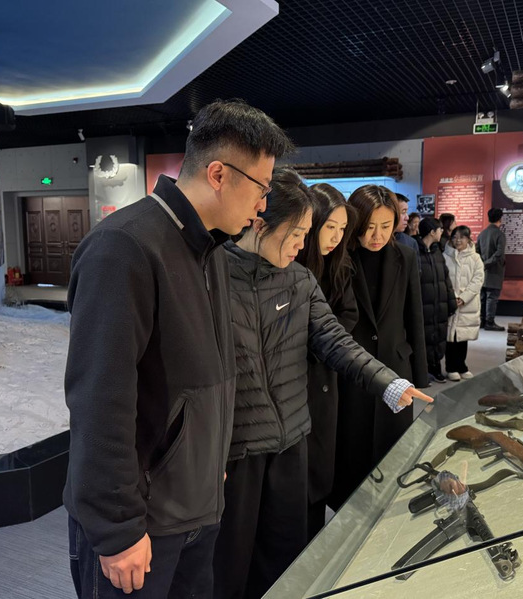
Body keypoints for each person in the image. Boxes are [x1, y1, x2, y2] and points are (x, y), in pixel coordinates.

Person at [63, 99, 294, 599]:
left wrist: (211, 463)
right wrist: (117, 528)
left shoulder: (209, 249)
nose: (263, 205)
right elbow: (99, 400)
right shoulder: (123, 247)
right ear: (218, 174)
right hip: (142, 523)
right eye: (261, 188)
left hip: (196, 508)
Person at [214, 169, 433, 599]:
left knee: (288, 560)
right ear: (260, 223)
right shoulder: (214, 274)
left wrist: (388, 383)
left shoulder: (298, 279)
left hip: (292, 440)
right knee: (230, 565)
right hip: (239, 449)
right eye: (297, 234)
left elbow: (335, 340)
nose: (303, 245)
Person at [330, 185, 428, 511]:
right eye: (369, 226)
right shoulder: (339, 257)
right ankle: (348, 514)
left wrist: (420, 375)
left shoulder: (406, 257)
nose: (377, 235)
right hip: (351, 371)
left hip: (395, 368)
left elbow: (414, 316)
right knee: (351, 450)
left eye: (386, 226)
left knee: (392, 450)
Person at [295, 182, 357, 540]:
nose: (336, 237)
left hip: (324, 376)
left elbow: (348, 314)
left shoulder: (339, 266)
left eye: (342, 228)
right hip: (292, 379)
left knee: (319, 470)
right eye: (329, 226)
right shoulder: (289, 261)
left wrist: (320, 342)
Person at [415, 217, 458, 383]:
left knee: (439, 335)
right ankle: (423, 370)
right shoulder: (415, 252)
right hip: (424, 304)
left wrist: (451, 301)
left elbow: (446, 278)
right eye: (439, 230)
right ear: (432, 232)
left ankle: (436, 367)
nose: (442, 232)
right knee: (424, 337)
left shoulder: (437, 252)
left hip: (439, 304)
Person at [444, 225, 485, 381]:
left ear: (468, 239)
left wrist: (464, 297)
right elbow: (443, 279)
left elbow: (478, 279)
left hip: (468, 303)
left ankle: (462, 366)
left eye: (461, 237)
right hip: (450, 301)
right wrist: (452, 297)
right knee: (450, 337)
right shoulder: (445, 256)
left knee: (463, 337)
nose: (458, 240)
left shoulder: (475, 258)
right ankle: (451, 367)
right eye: (455, 237)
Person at [476, 208, 507, 332]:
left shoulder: (482, 234)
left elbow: (477, 252)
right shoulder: (500, 235)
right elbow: (499, 253)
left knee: (483, 297)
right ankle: (489, 322)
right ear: (500, 218)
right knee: (492, 297)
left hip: (483, 270)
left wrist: (482, 264)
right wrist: (487, 263)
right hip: (494, 270)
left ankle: (482, 321)